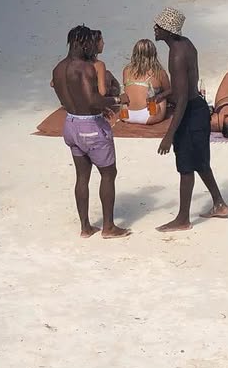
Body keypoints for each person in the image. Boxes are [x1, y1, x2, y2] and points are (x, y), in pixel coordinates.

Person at [153, 7, 228, 231]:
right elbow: (186, 85)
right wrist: (165, 94)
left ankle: (183, 219)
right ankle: (219, 203)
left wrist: (169, 135)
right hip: (198, 109)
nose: (155, 28)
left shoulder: (176, 55)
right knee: (201, 161)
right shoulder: (186, 44)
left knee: (186, 167)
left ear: (168, 30)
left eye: (159, 25)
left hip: (189, 113)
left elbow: (183, 98)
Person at [50, 25, 130, 238]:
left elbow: (61, 91)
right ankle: (109, 227)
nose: (94, 47)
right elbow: (93, 100)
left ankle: (85, 227)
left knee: (82, 177)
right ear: (84, 43)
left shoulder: (58, 68)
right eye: (91, 43)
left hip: (71, 123)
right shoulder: (85, 68)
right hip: (91, 126)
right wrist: (118, 99)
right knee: (108, 173)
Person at [120, 39, 171, 126]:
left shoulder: (126, 70)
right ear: (154, 53)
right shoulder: (159, 72)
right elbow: (169, 91)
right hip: (150, 116)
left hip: (126, 116)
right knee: (162, 96)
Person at [89, 29, 121, 98]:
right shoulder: (99, 65)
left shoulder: (80, 63)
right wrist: (110, 89)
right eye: (101, 41)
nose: (103, 43)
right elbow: (102, 92)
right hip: (96, 100)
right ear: (96, 43)